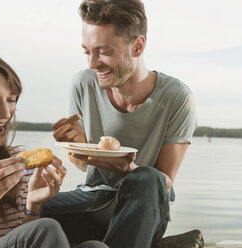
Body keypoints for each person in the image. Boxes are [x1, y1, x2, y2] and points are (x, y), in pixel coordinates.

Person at [43, 0, 197, 248]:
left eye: (103, 52)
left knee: (148, 177)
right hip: (90, 199)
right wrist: (77, 145)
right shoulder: (83, 83)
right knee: (22, 206)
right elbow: (83, 166)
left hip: (145, 207)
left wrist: (129, 170)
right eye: (87, 51)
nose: (92, 63)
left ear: (137, 46)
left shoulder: (177, 97)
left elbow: (165, 179)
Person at [0, 52, 109, 248]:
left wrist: (33, 204)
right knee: (47, 228)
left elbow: (26, 239)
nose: (6, 112)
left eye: (11, 99)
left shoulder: (17, 162)